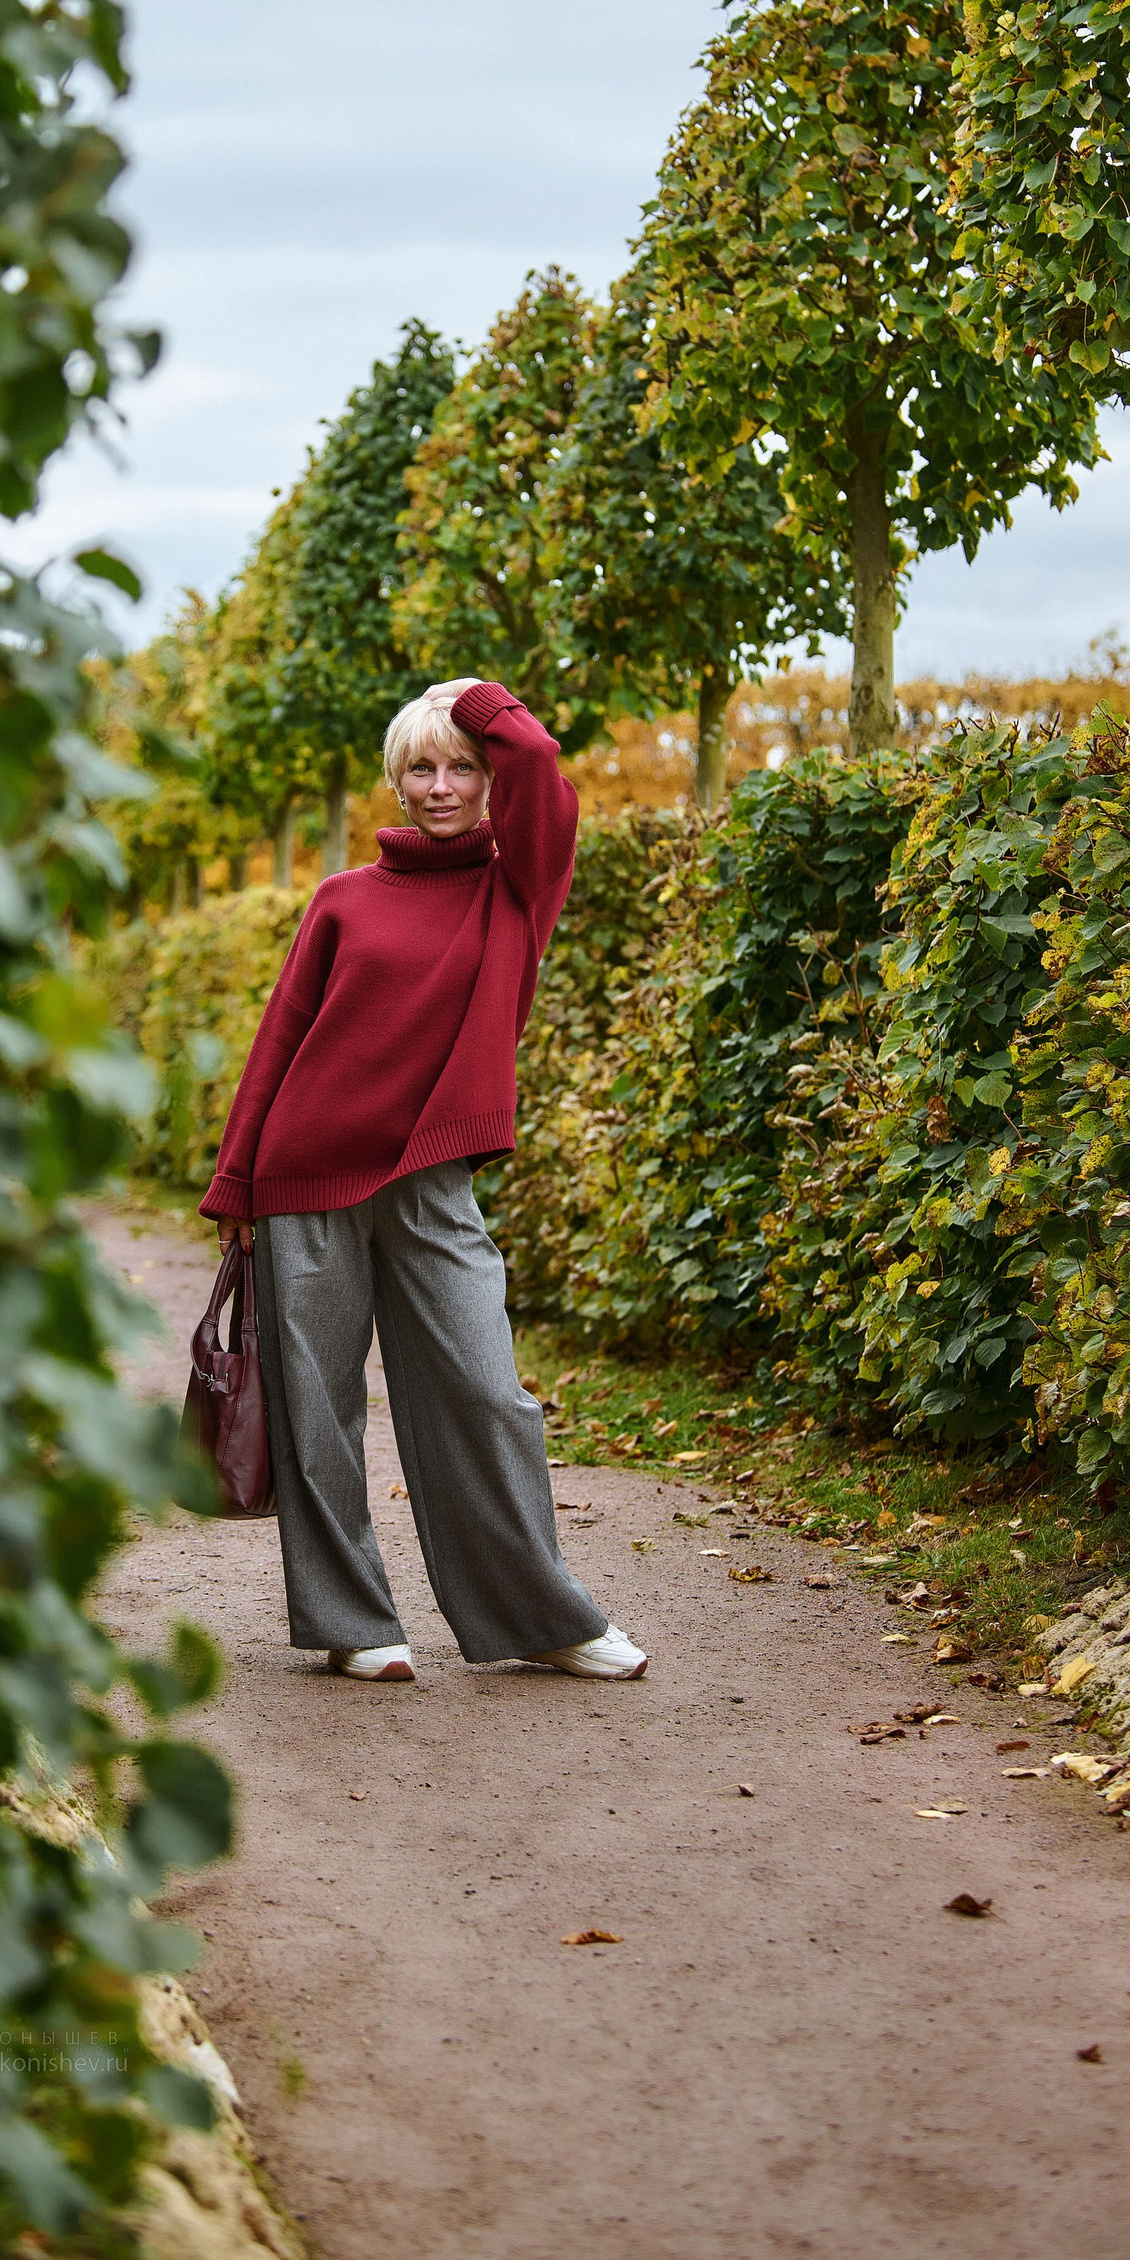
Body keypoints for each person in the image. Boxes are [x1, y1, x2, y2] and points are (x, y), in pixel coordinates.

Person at [200, 677, 647, 1684]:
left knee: (488, 1394)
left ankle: (542, 1617)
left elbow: (542, 763)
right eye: (421, 768)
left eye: (461, 768)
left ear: (488, 781)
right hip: (305, 1176)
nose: (441, 786)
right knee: (319, 1412)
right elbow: (280, 1041)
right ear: (396, 783)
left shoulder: (518, 886)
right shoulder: (341, 899)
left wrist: (471, 698)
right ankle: (353, 1622)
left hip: (433, 1183)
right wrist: (235, 1185)